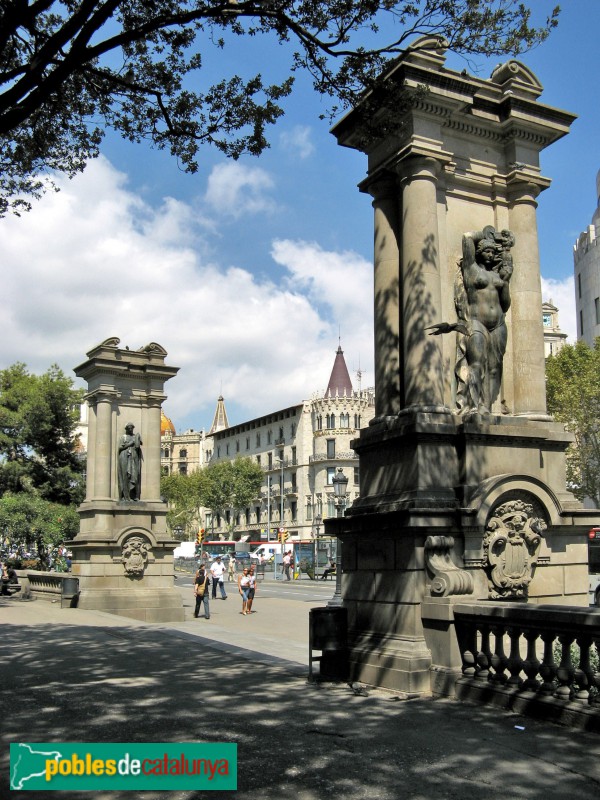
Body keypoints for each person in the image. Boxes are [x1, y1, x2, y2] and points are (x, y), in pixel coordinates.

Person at [454, 226, 515, 415]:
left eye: (492, 252)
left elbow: (505, 305)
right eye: (487, 251)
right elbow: (466, 236)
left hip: (498, 324)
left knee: (495, 368)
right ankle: (473, 406)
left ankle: (486, 407)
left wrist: (505, 283)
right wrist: (494, 237)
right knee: (476, 364)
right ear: (479, 253)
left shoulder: (498, 276)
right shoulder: (471, 269)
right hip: (476, 322)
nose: (490, 255)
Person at [117, 422, 143, 500]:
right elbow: (120, 448)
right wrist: (129, 444)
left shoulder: (135, 436)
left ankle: (134, 495)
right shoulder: (123, 437)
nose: (131, 429)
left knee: (135, 476)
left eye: (132, 428)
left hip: (133, 458)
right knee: (125, 477)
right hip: (125, 457)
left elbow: (139, 445)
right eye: (129, 428)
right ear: (126, 429)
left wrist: (138, 440)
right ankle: (125, 496)